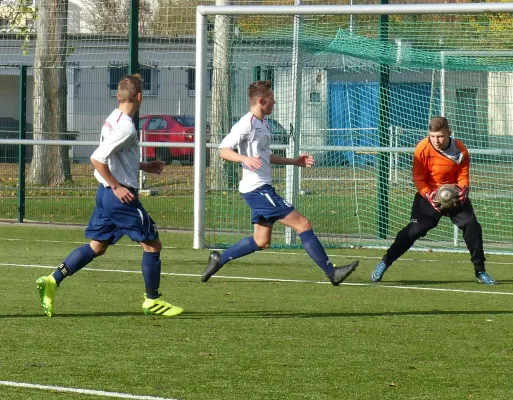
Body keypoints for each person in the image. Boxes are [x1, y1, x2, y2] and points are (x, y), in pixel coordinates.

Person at [36, 74, 184, 317]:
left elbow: (117, 157)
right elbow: (97, 158)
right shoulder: (126, 126)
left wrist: (143, 167)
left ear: (119, 96)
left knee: (97, 246)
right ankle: (152, 300)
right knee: (152, 244)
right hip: (119, 198)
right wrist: (117, 186)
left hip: (105, 196)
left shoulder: (112, 119)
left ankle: (52, 280)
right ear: (139, 97)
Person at [201, 80, 359, 285]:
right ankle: (332, 273)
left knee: (261, 241)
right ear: (261, 101)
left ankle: (219, 259)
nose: (274, 103)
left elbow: (266, 155)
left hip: (260, 189)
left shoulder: (263, 124)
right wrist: (244, 159)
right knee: (303, 224)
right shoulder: (246, 123)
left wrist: (295, 162)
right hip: (257, 190)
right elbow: (223, 149)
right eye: (272, 100)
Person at [371, 116, 496, 285]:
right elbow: (418, 178)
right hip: (429, 195)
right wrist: (428, 194)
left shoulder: (460, 149)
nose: (436, 141)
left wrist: (463, 190)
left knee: (472, 225)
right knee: (414, 231)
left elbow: (463, 175)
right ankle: (385, 261)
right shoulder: (422, 148)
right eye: (433, 136)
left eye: (440, 136)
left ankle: (480, 272)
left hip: (454, 194)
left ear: (449, 134)